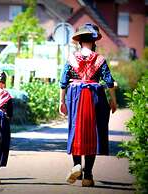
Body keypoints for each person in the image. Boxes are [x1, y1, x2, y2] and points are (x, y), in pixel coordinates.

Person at [59, 23, 117, 187]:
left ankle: (76, 165)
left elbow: (63, 82)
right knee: (94, 132)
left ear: (79, 41)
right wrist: (113, 100)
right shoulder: (100, 59)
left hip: (75, 96)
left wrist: (61, 102)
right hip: (95, 96)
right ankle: (88, 176)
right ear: (93, 41)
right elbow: (109, 82)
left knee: (76, 130)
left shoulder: (71, 59)